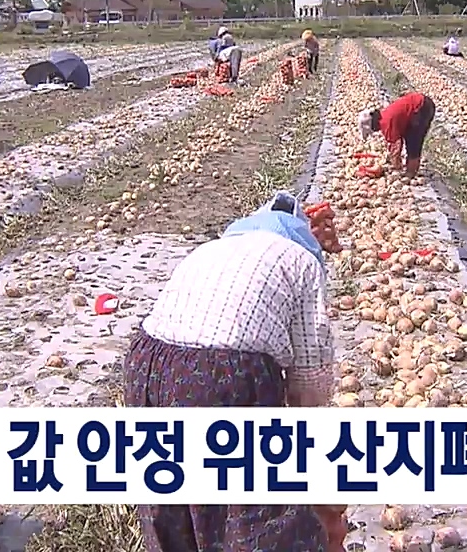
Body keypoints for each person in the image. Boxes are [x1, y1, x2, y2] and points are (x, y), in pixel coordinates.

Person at [124, 190, 335, 552]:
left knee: (170, 493)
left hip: (147, 365)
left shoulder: (210, 250)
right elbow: (310, 378)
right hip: (225, 373)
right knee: (255, 510)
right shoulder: (300, 260)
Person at [357, 91, 437, 179]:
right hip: (422, 103)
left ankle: (411, 172)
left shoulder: (386, 124)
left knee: (413, 141)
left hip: (421, 107)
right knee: (410, 135)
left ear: (373, 126)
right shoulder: (385, 115)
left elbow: (395, 147)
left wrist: (396, 166)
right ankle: (411, 168)